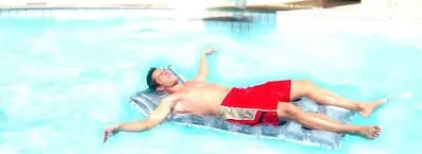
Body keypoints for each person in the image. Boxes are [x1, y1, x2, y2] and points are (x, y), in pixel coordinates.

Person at [102, 48, 384, 143]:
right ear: (159, 88)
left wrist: (203, 55)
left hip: (244, 93)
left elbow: (202, 72)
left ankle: (359, 106)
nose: (166, 72)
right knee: (289, 110)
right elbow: (148, 124)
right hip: (234, 110)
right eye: (160, 76)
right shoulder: (170, 101)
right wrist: (119, 127)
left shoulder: (193, 82)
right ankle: (355, 130)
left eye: (165, 69)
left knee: (304, 85)